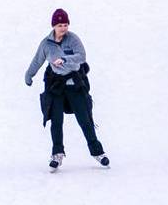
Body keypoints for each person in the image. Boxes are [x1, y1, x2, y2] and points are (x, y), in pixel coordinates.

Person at [25, 9, 110, 171]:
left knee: (85, 120)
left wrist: (64, 59)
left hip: (74, 85)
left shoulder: (73, 39)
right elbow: (37, 61)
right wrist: (29, 75)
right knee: (56, 121)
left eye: (65, 24)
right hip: (55, 87)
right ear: (53, 26)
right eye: (59, 25)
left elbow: (81, 56)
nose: (63, 28)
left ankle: (98, 153)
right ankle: (57, 154)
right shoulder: (46, 44)